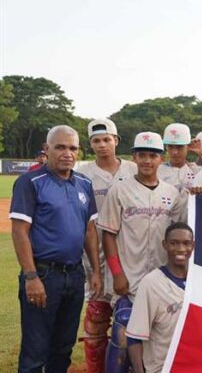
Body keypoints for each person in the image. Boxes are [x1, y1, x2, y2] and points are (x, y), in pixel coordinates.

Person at [10, 125, 102, 373]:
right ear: (47, 149)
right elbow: (20, 231)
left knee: (63, 347)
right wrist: (31, 276)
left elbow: (89, 231)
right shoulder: (30, 182)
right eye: (60, 147)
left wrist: (95, 271)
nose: (67, 153)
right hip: (43, 275)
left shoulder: (83, 183)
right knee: (35, 349)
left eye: (72, 148)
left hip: (74, 275)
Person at [99, 131, 186, 373]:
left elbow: (179, 235)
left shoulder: (171, 193)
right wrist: (117, 273)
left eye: (153, 155)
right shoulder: (120, 190)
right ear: (134, 158)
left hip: (160, 279)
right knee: (123, 333)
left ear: (161, 158)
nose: (147, 161)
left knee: (156, 338)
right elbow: (108, 234)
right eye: (142, 155)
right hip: (129, 276)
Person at [78, 118, 138, 372]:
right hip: (96, 256)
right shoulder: (82, 174)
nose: (102, 145)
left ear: (116, 140)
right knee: (97, 321)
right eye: (96, 141)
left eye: (106, 139)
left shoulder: (135, 169)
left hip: (132, 254)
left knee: (134, 320)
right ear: (90, 144)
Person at [126, 222, 194, 373]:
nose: (181, 249)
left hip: (194, 365)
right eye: (174, 243)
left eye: (186, 243)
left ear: (193, 246)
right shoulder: (151, 283)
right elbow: (134, 337)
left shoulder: (199, 282)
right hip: (163, 368)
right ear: (165, 245)